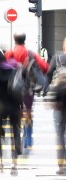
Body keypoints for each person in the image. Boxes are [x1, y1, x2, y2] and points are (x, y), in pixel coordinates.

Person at [5, 32, 49, 152]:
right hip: (28, 88)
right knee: (28, 111)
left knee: (17, 112)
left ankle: (18, 137)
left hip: (13, 89)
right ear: (25, 40)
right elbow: (45, 67)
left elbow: (1, 67)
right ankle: (28, 138)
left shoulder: (10, 53)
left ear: (15, 40)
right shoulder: (30, 53)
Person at [0, 47, 22, 176]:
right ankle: (14, 165)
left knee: (0, 134)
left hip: (1, 106)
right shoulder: (14, 67)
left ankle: (1, 163)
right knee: (15, 133)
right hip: (14, 105)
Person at [45, 37, 66, 175]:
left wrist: (48, 94)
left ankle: (61, 166)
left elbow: (47, 76)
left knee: (60, 134)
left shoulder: (57, 58)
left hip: (59, 101)